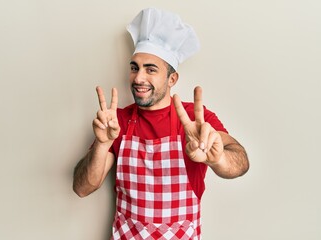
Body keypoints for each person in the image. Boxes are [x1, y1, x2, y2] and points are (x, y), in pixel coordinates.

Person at [73, 7, 249, 240]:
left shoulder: (194, 119)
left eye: (151, 69)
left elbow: (241, 163)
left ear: (172, 79)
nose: (138, 78)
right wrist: (103, 144)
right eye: (134, 68)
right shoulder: (118, 121)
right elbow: (83, 187)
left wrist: (217, 158)